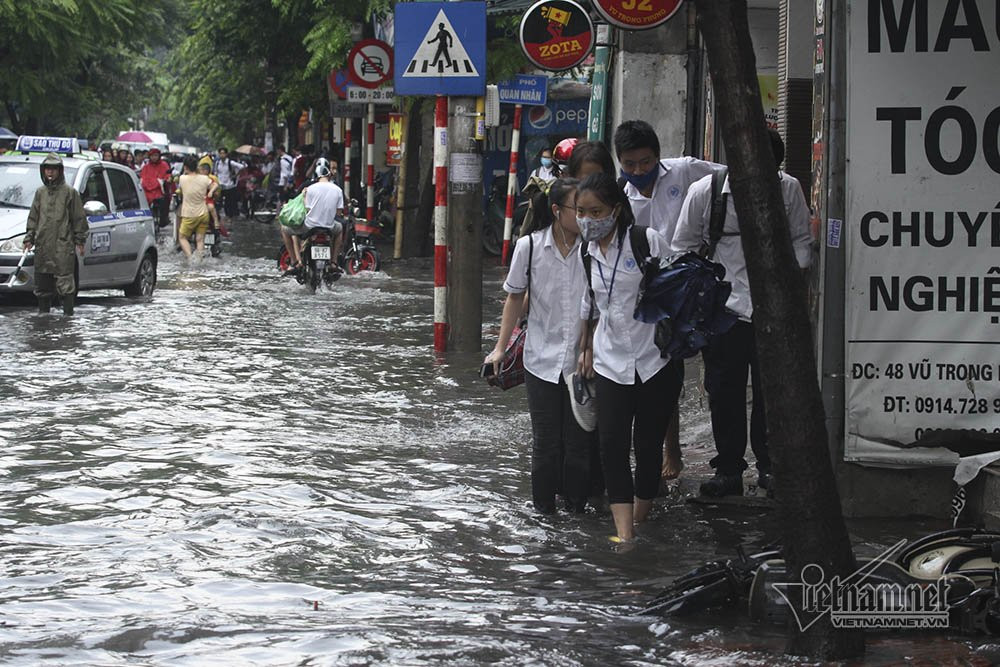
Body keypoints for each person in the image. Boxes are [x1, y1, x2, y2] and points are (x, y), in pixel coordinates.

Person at [672, 129, 812, 497]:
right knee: (724, 393)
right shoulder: (705, 192)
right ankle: (729, 470)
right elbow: (682, 248)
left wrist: (789, 275)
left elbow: (802, 241)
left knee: (772, 393)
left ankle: (770, 467)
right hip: (724, 311)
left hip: (773, 311)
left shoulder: (788, 190)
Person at [613, 120, 725, 482]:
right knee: (656, 370)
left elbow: (729, 180)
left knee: (689, 370)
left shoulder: (686, 171)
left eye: (645, 162)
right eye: (630, 164)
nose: (638, 172)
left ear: (658, 156)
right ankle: (665, 448)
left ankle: (685, 451)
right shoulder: (620, 196)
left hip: (691, 286)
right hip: (646, 292)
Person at [576, 173, 682, 542]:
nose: (587, 220)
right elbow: (589, 307)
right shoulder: (586, 254)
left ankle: (640, 518)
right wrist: (585, 349)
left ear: (616, 210)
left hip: (655, 360)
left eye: (596, 212)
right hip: (610, 361)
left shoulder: (645, 241)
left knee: (648, 446)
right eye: (581, 212)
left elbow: (677, 288)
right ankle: (625, 536)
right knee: (612, 447)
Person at [484, 178, 593, 514]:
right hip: (540, 360)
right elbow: (515, 297)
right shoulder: (529, 247)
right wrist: (500, 348)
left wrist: (590, 348)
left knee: (579, 445)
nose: (586, 217)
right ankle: (543, 515)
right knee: (546, 444)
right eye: (579, 210)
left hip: (584, 362)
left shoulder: (593, 248)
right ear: (557, 210)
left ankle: (577, 512)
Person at [23, 154, 88, 315]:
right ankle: (43, 316)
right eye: (47, 169)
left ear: (60, 171)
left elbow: (78, 218)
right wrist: (29, 237)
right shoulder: (40, 193)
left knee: (65, 283)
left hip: (63, 245)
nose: (50, 172)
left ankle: (67, 316)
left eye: (54, 169)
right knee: (42, 284)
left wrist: (80, 240)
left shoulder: (70, 193)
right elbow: (34, 217)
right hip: (43, 246)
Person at [280, 157, 345, 272]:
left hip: (310, 227)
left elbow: (307, 209)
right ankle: (334, 262)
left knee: (284, 229)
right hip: (329, 227)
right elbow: (338, 213)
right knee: (340, 229)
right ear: (328, 174)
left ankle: (294, 262)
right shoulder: (338, 190)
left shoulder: (309, 189)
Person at [175, 155, 217, 260]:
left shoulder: (182, 178)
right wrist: (211, 192)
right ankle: (199, 260)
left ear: (185, 167)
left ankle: (190, 259)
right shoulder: (205, 179)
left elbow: (180, 189)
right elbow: (215, 185)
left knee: (182, 237)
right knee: (200, 240)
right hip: (203, 214)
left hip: (189, 214)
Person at [139, 148, 172, 230]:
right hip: (148, 191)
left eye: (156, 155)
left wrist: (166, 179)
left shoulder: (164, 165)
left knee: (165, 200)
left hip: (160, 190)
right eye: (152, 156)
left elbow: (168, 175)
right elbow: (143, 178)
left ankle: (164, 219)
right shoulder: (146, 167)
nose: (154, 157)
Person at [214, 147, 246, 221]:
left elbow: (242, 167)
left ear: (226, 154)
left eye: (223, 153)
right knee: (218, 202)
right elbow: (216, 173)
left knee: (229, 202)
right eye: (220, 153)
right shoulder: (217, 163)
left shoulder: (230, 162)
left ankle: (229, 216)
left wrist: (235, 175)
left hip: (229, 185)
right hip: (220, 185)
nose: (222, 155)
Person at [197, 158, 224, 237]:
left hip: (208, 199)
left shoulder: (211, 179)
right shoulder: (195, 178)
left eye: (201, 170)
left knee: (211, 207)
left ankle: (216, 222)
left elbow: (216, 187)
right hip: (198, 199)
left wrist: (211, 192)